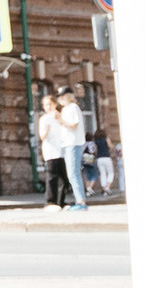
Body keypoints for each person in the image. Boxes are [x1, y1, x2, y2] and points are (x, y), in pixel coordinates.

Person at [56, 82, 88, 210]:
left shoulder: (73, 108)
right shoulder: (66, 109)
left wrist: (61, 120)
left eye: (63, 96)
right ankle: (79, 200)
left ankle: (81, 202)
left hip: (74, 143)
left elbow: (74, 125)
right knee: (72, 173)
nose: (60, 99)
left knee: (73, 173)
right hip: (68, 143)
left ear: (68, 96)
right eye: (59, 97)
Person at [37, 92, 68, 207]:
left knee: (64, 178)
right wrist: (47, 129)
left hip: (62, 151)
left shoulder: (60, 116)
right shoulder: (44, 119)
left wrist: (59, 120)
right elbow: (42, 136)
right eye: (45, 105)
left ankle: (61, 201)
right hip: (51, 151)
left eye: (50, 104)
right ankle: (50, 201)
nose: (48, 107)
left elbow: (66, 129)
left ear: (55, 104)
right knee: (52, 177)